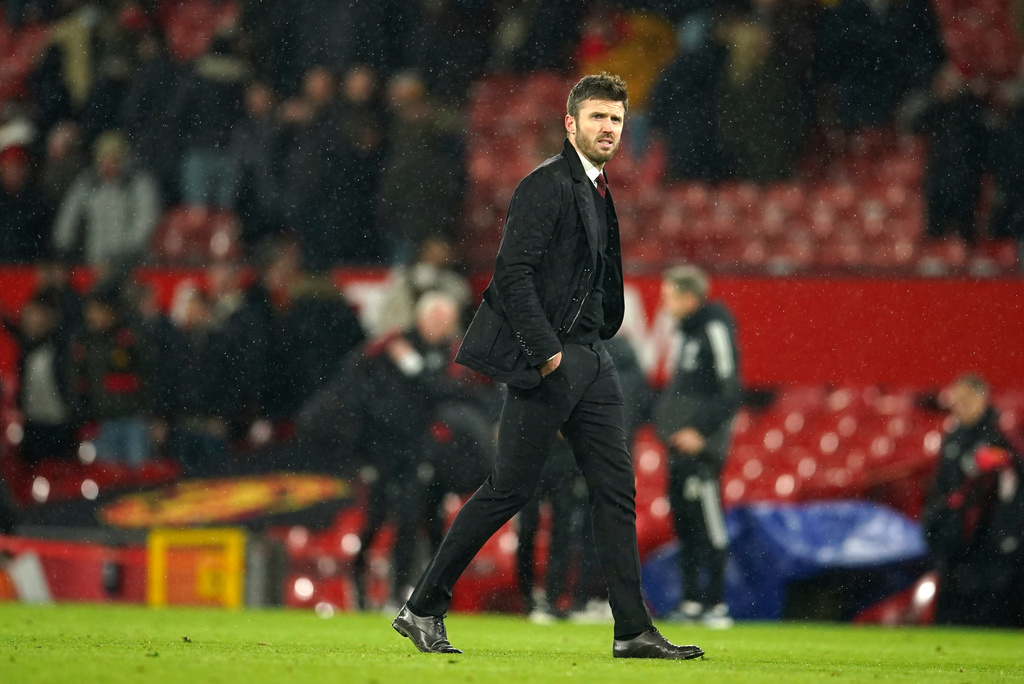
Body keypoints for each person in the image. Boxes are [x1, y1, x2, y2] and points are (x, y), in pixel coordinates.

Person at [392, 73, 703, 660]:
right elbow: (511, 275)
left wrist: (587, 344)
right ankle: (423, 605)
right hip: (553, 360)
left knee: (616, 491)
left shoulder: (597, 186)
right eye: (597, 118)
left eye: (616, 119)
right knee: (509, 489)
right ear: (571, 124)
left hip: (592, 357)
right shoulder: (544, 185)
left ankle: (632, 630)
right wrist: (547, 352)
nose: (608, 128)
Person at [656, 264, 741, 629]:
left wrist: (701, 433)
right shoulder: (688, 333)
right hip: (678, 448)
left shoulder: (714, 328)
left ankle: (716, 603)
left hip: (702, 450)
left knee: (709, 523)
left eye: (669, 297)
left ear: (689, 297)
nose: (665, 305)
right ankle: (692, 601)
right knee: (686, 522)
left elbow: (731, 390)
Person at [922, 374, 1024, 626]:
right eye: (956, 400)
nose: (959, 406)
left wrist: (1007, 534)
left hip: (989, 540)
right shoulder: (952, 437)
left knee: (989, 608)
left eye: (966, 400)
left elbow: (1012, 487)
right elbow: (943, 486)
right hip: (955, 539)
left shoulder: (1000, 437)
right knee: (951, 607)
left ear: (982, 399)